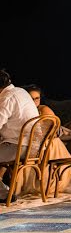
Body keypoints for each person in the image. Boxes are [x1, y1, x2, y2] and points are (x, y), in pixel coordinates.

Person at [21, 84, 71, 193]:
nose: (35, 101)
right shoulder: (24, 111)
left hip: (50, 143)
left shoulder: (44, 109)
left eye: (37, 98)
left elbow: (52, 130)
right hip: (35, 143)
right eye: (31, 99)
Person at [0, 69, 40, 202]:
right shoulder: (21, 92)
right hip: (31, 146)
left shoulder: (7, 98)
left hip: (18, 147)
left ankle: (5, 194)